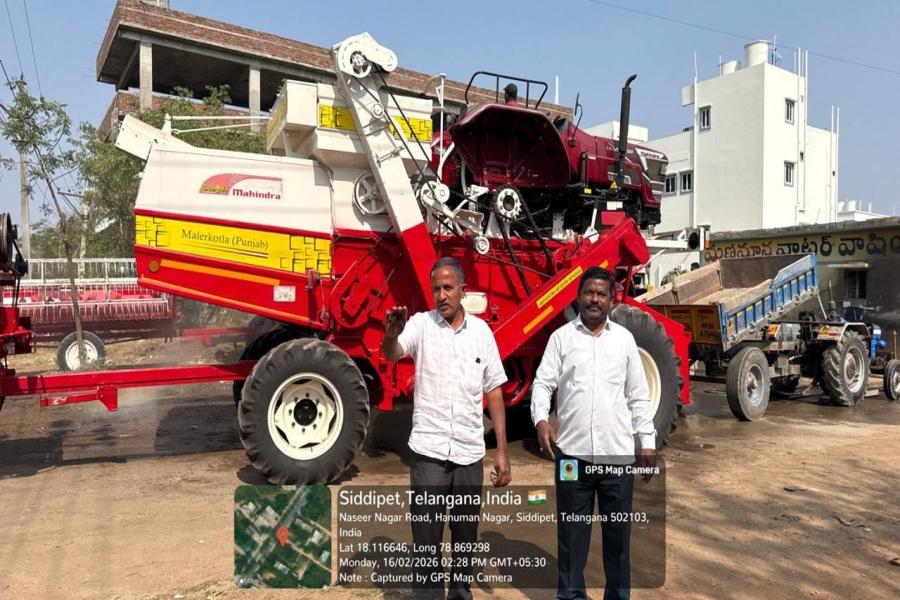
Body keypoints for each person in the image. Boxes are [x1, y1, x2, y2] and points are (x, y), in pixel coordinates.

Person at [382, 256, 511, 600]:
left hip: (469, 453)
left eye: (448, 287)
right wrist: (390, 335)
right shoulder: (421, 325)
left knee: (466, 534)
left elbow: (495, 390)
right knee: (426, 535)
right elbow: (393, 352)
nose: (441, 295)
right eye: (436, 288)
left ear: (462, 290)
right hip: (429, 454)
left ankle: (459, 594)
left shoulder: (482, 333)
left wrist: (502, 451)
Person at [531, 266, 657, 600]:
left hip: (616, 457)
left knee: (618, 539)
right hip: (571, 457)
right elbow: (543, 383)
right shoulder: (562, 339)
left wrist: (647, 442)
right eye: (589, 292)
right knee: (572, 537)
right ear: (578, 296)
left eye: (602, 294)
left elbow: (638, 395)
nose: (594, 299)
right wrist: (541, 419)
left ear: (613, 300)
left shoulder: (624, 341)